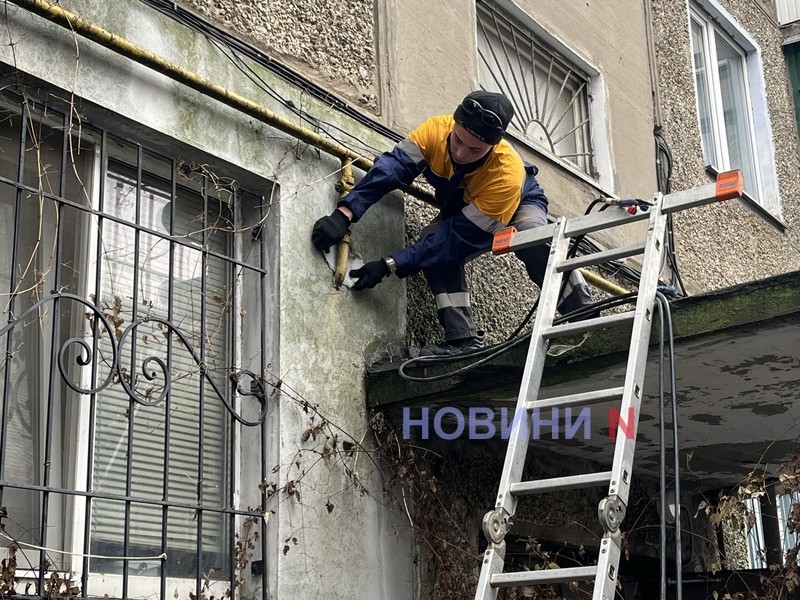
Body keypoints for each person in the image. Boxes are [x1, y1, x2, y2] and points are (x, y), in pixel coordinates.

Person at [311, 91, 596, 356]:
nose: (461, 153)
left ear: (492, 147)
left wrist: (389, 264)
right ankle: (463, 341)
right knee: (432, 241)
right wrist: (344, 213)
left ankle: (583, 313)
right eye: (458, 141)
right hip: (466, 204)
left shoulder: (505, 175)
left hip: (518, 201)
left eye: (475, 150)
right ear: (453, 125)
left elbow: (454, 241)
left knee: (532, 236)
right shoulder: (434, 130)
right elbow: (390, 170)